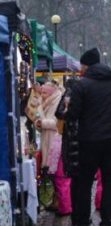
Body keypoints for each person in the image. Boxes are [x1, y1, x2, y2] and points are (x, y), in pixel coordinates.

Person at [66, 48, 111, 226]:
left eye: (82, 66)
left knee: (84, 184)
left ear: (87, 65)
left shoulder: (82, 86)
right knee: (108, 183)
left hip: (88, 140)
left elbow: (73, 115)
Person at [35, 82, 69, 215]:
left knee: (56, 173)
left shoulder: (57, 101)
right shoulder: (47, 101)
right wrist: (38, 122)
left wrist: (42, 123)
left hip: (55, 141)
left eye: (44, 92)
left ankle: (61, 202)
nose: (42, 95)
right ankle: (57, 200)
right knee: (52, 173)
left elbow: (57, 123)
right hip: (47, 139)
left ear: (50, 93)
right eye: (42, 92)